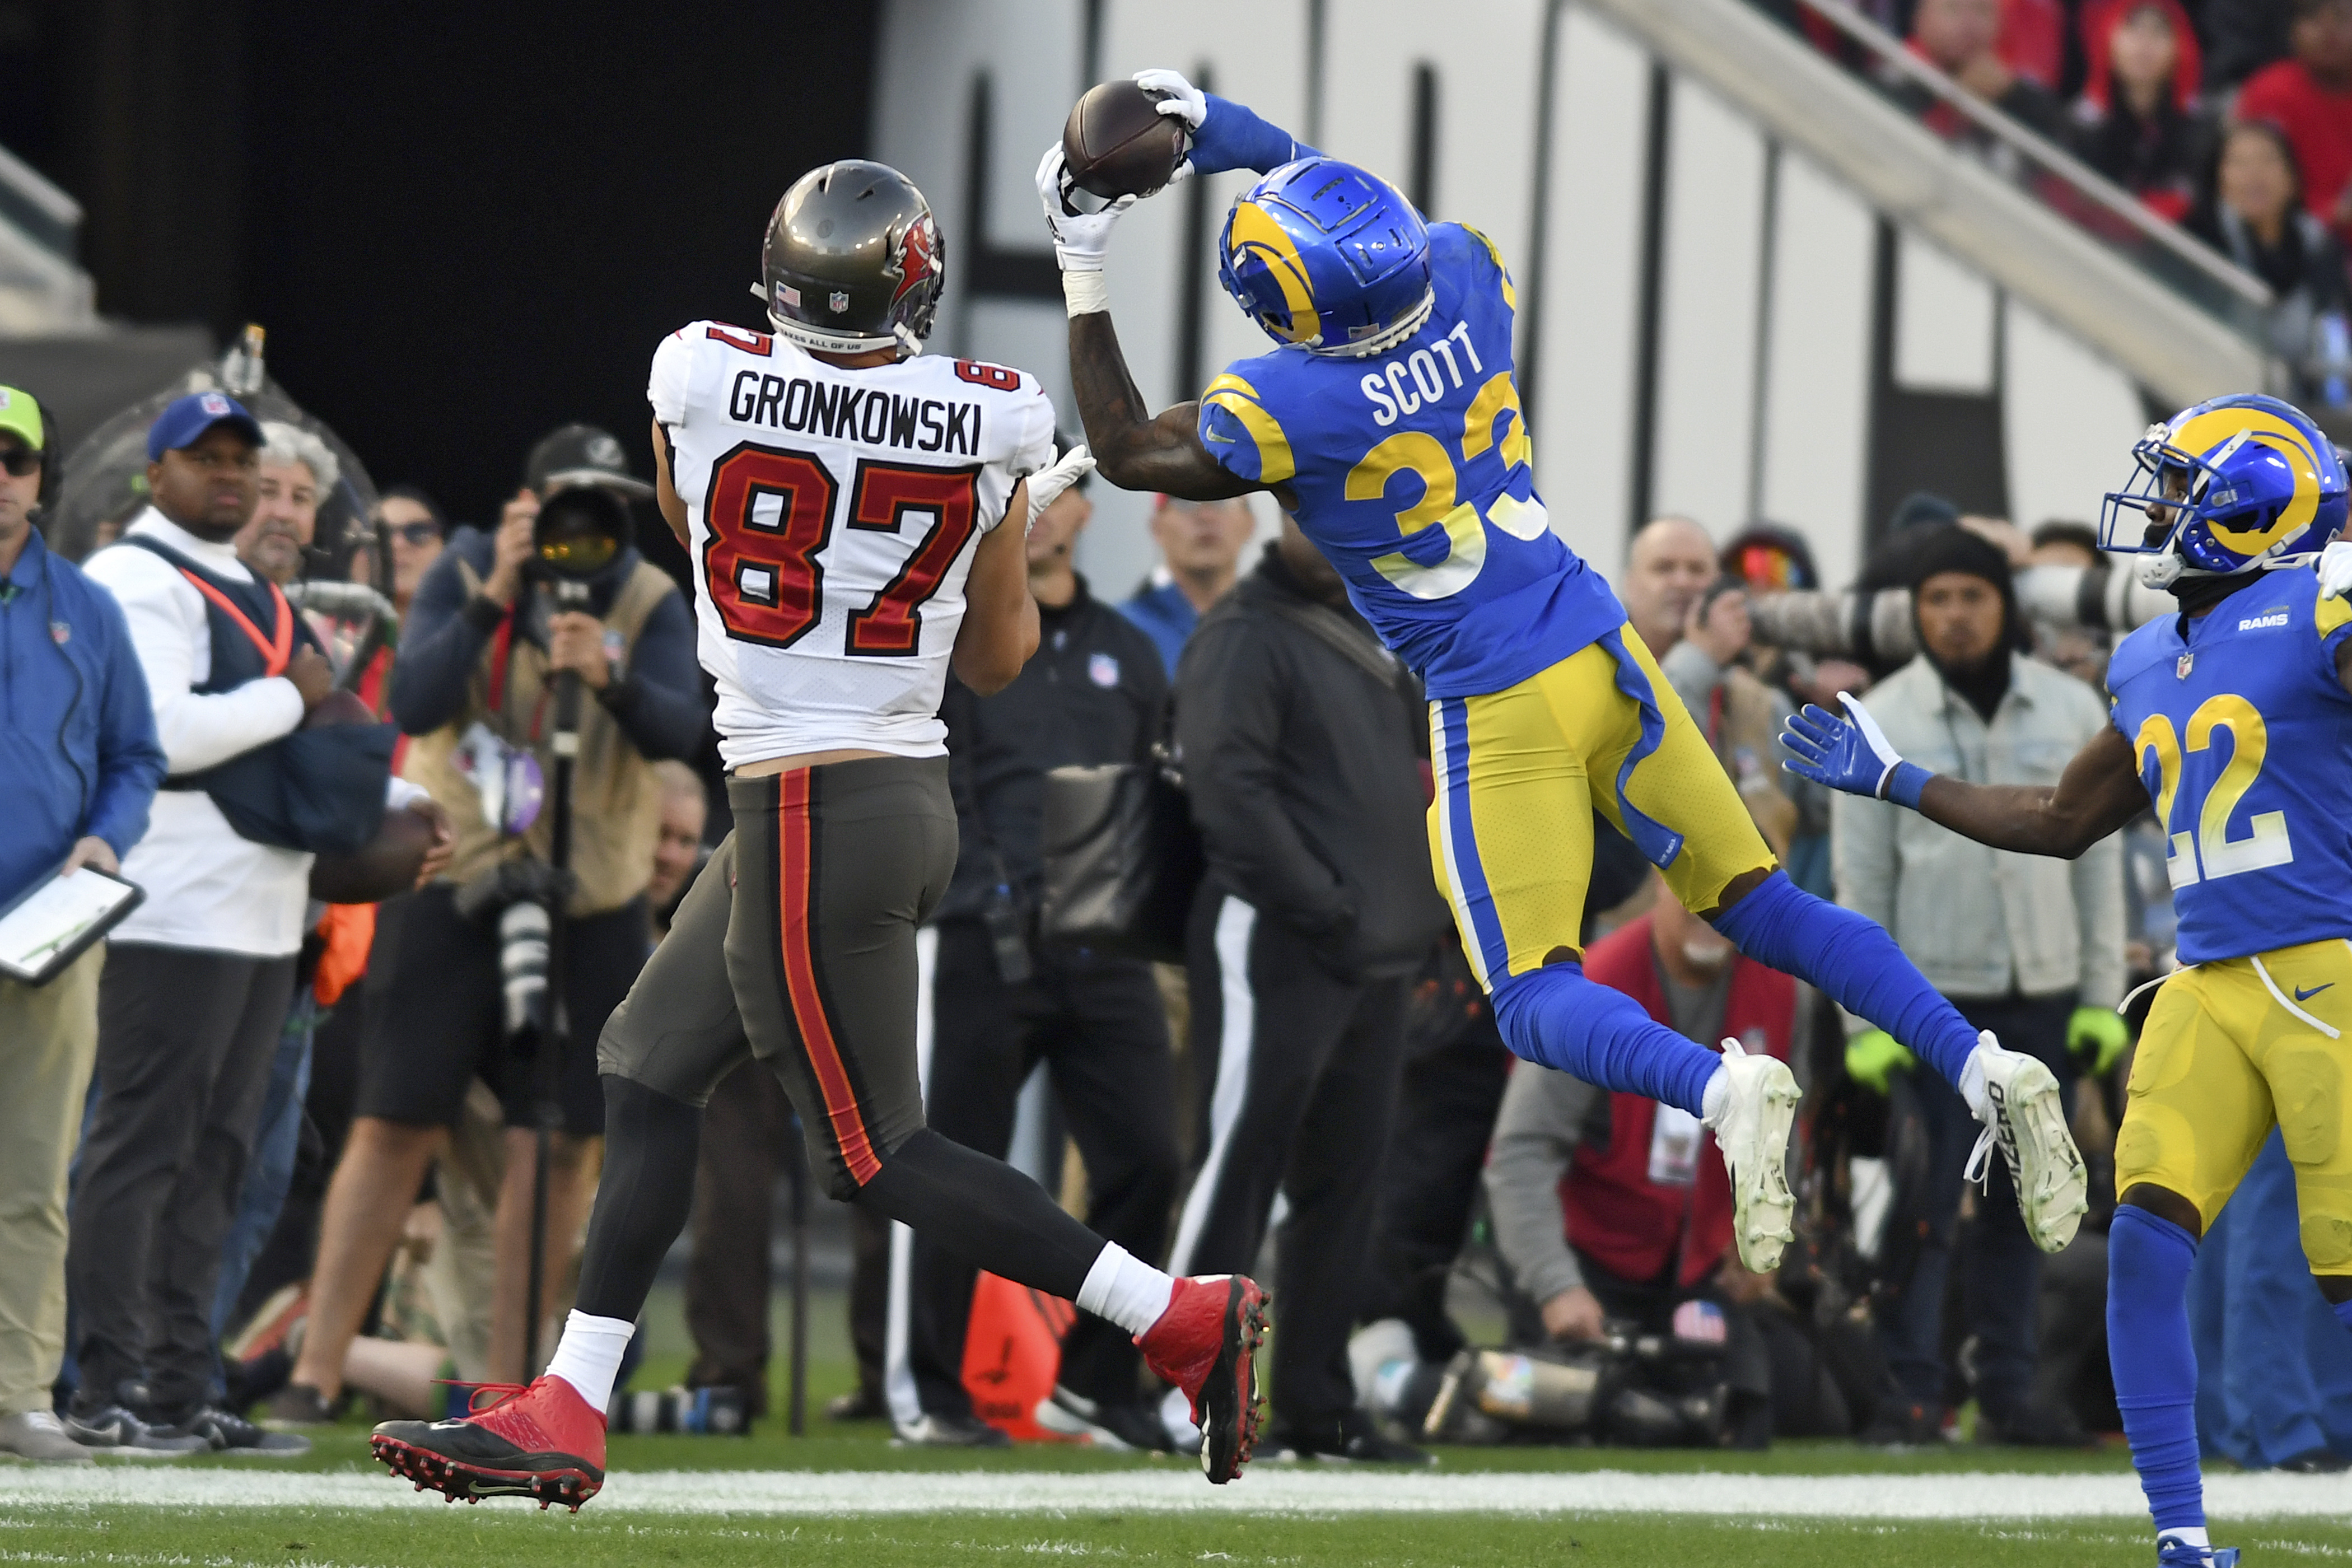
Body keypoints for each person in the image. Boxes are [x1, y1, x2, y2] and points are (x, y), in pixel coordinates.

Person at [1044, 71, 2087, 1289]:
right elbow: (1349, 208)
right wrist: (1224, 130)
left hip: (1498, 704)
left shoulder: (1283, 400)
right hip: (1606, 650)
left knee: (1535, 995)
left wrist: (1082, 252)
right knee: (1763, 901)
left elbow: (1121, 448)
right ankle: (1979, 1062)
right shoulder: (1465, 274)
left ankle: (1719, 1084)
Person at [369, 159, 1267, 1508]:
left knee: (874, 1152)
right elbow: (998, 663)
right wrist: (985, 528)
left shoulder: (700, 370)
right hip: (877, 793)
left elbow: (693, 532)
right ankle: (575, 1395)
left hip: (807, 799)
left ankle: (1173, 1317)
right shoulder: (994, 417)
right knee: (648, 1066)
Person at [1781, 392, 2352, 1567]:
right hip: (2208, 979)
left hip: (2326, 969)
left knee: (2344, 1265)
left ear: (2257, 504)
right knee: (2145, 1237)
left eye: (2184, 489)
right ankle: (2184, 1534)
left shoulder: (2325, 606)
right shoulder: (2152, 656)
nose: (2158, 510)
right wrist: (1901, 779)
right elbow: (2061, 815)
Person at [282, 426, 705, 1420]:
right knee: (395, 1121)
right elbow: (419, 699)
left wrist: (605, 675)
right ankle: (314, 1370)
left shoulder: (644, 597)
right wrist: (493, 594)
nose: (582, 529)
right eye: (566, 505)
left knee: (554, 1141)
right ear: (525, 503)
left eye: (604, 508)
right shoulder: (473, 564)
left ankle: (508, 1383)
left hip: (589, 893)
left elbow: (683, 730)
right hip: (455, 877)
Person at [68, 392, 446, 1457]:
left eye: (241, 459)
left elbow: (305, 751)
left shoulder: (246, 585)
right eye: (206, 459)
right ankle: (101, 1387)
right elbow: (164, 733)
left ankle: (181, 1390)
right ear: (157, 475)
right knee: (140, 1153)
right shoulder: (135, 579)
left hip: (266, 907)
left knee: (219, 1162)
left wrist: (396, 813)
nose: (227, 476)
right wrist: (291, 691)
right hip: (172, 904)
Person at [895, 461, 1180, 1450]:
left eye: (1058, 496)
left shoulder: (1131, 654)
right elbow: (940, 775)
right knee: (951, 1166)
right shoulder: (959, 636)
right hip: (983, 939)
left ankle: (1095, 1383)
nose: (1045, 514)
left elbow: (1154, 794)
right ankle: (930, 1392)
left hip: (1104, 948)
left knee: (1150, 1156)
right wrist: (982, 894)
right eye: (1027, 496)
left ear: (1087, 516)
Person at [1825, 524, 2124, 1448]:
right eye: (1936, 600)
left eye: (1973, 596)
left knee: (2024, 1202)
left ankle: (2010, 1390)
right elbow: (1859, 884)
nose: (1954, 616)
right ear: (1915, 612)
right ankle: (1911, 1390)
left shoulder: (2073, 708)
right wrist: (1860, 1019)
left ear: (2006, 605)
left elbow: (2097, 869)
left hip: (2041, 987)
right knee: (1924, 1205)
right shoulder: (1879, 713)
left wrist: (2099, 998)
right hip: (1928, 1000)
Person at [1169, 511, 1450, 1463]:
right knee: (1236, 1169)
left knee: (1346, 1188)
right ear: (1284, 521)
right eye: (1317, 513)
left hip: (1369, 955)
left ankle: (1319, 1408)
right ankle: (1186, 1393)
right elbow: (1227, 790)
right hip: (1277, 940)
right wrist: (1327, 905)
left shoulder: (1373, 632)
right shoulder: (1246, 632)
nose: (1338, 532)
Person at [0, 384, 165, 1464]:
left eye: (11, 460)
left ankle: (15, 1394)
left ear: (39, 480)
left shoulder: (86, 608)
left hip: (45, 936)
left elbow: (135, 758)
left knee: (28, 1175)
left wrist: (107, 840)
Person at [1485, 875, 1796, 1446]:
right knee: (1581, 1415)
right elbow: (1521, 1152)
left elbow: (1782, 1130)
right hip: (1589, 1263)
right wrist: (1556, 1286)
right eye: (1695, 879)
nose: (1708, 903)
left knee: (1748, 1412)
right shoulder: (1590, 987)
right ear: (1659, 876)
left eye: (1732, 883)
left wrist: (1763, 1238)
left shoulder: (1778, 985)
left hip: (1693, 1270)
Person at [2187, 120, 2352, 405]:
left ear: (2292, 177)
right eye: (2240, 163)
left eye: (2268, 160)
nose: (2255, 175)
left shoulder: (2319, 245)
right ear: (2218, 180)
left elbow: (2336, 334)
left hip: (2311, 408)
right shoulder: (2198, 244)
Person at [2071, 1, 2205, 222]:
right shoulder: (2079, 126)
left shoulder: (2198, 138)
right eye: (2133, 28)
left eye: (2159, 31)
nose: (2145, 43)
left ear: (2181, 50)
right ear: (2108, 39)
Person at [2236, 0, 2352, 248]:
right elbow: (2242, 194)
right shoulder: (2270, 93)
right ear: (2293, 29)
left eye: (2343, 17)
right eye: (2312, 16)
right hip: (2279, 249)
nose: (2328, 30)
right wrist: (2332, 214)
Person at [1116, 492, 1257, 677]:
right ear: (1157, 527)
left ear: (1250, 523)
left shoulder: (1278, 629)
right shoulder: (1120, 631)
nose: (1206, 516)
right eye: (1185, 501)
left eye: (1222, 500)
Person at [1900, 0, 2069, 142]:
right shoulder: (1896, 67)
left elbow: (2065, 138)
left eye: (1982, 11)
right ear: (1920, 17)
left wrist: (2013, 94)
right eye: (1952, 8)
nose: (1968, 25)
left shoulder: (2007, 91)